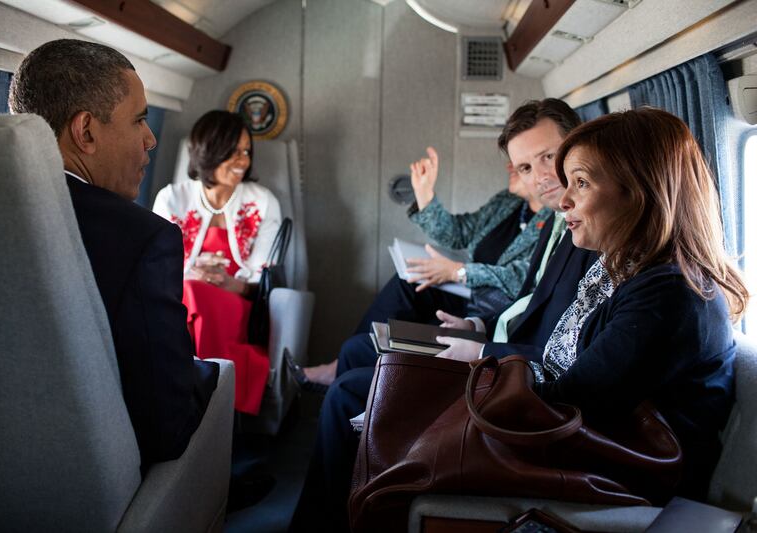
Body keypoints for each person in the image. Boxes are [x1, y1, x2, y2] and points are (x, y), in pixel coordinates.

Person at [290, 99, 595, 532]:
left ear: (578, 146)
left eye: (548, 157)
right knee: (368, 342)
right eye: (525, 166)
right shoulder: (536, 216)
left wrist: (470, 309)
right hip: (490, 335)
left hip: (503, 362)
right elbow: (478, 249)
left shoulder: (576, 230)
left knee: (348, 389)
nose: (540, 175)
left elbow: (537, 317)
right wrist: (427, 200)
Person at [440, 106, 748, 500]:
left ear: (639, 191)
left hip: (627, 477)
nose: (564, 199)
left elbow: (575, 403)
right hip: (593, 451)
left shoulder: (669, 294)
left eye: (581, 183)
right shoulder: (620, 269)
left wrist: (476, 385)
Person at [8, 39, 219, 472]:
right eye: (140, 119)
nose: (151, 138)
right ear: (86, 131)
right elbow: (167, 426)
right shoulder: (144, 240)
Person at [294, 146, 551, 389]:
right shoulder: (507, 203)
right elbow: (458, 233)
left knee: (413, 291)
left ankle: (345, 370)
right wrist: (426, 196)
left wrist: (459, 272)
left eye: (523, 165)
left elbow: (524, 276)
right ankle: (350, 361)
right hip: (468, 292)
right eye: (518, 163)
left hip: (490, 308)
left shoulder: (555, 221)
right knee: (409, 279)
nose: (510, 167)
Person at [153, 110, 281, 415]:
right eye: (233, 152)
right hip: (180, 298)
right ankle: (211, 400)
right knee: (190, 293)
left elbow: (263, 278)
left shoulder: (262, 202)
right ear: (208, 151)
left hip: (237, 301)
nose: (242, 161)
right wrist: (191, 273)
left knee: (194, 294)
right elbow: (158, 267)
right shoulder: (171, 198)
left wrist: (228, 282)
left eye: (246, 152)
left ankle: (197, 401)